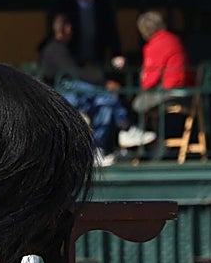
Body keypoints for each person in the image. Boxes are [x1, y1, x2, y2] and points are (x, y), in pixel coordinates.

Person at [38, 13, 153, 166]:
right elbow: (73, 73)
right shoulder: (55, 49)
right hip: (62, 95)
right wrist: (103, 82)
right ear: (67, 28)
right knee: (105, 94)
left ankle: (97, 150)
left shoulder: (61, 49)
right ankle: (126, 126)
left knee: (105, 105)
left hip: (72, 92)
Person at [46, 0, 126, 72]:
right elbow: (56, 33)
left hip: (96, 59)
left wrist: (116, 54)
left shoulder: (103, 6)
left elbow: (112, 33)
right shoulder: (64, 6)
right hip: (72, 60)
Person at [132, 10, 196, 117]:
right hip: (188, 91)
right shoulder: (174, 39)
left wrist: (142, 84)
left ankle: (146, 132)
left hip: (170, 92)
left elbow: (150, 79)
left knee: (138, 104)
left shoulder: (154, 45)